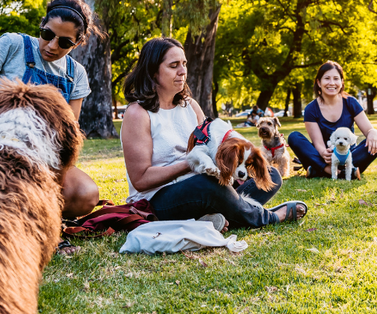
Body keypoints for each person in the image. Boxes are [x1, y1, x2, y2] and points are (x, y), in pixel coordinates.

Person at [119, 37, 306, 229]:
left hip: (203, 185)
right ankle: (268, 217)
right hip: (159, 200)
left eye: (184, 64)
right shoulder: (138, 114)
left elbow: (212, 144)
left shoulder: (190, 106)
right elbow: (141, 179)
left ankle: (211, 220)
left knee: (270, 175)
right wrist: (191, 163)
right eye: (174, 65)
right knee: (208, 185)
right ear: (152, 72)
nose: (182, 71)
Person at [0, 0, 101, 219]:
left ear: (77, 43)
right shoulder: (12, 45)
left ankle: (41, 222)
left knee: (85, 194)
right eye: (47, 34)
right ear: (41, 24)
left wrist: (49, 172)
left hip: (43, 157)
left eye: (65, 42)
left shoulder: (76, 73)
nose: (52, 45)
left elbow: (68, 131)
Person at [287, 61, 377, 179]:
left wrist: (373, 133)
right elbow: (318, 143)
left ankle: (320, 170)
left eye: (336, 79)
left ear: (342, 82)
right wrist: (324, 153)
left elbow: (368, 130)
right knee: (294, 137)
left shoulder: (351, 102)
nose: (332, 83)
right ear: (319, 82)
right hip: (324, 157)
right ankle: (331, 170)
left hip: (348, 155)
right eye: (327, 78)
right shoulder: (311, 109)